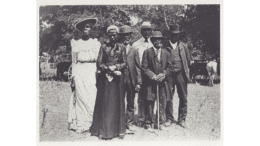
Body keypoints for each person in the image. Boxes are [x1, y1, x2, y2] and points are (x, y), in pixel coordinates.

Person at [90, 25, 127, 140]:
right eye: (110, 34)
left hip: (117, 80)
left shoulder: (122, 47)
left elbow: (124, 63)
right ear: (108, 35)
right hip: (105, 79)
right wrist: (108, 69)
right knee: (106, 104)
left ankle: (118, 131)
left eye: (114, 34)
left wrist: (116, 67)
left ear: (117, 35)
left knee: (117, 103)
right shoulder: (103, 47)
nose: (112, 36)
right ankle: (104, 131)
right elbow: (99, 62)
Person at [67, 17, 101, 133]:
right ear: (81, 30)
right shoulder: (76, 43)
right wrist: (73, 76)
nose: (86, 29)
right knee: (80, 95)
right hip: (80, 70)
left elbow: (98, 60)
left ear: (91, 29)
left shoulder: (95, 43)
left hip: (91, 70)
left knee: (91, 94)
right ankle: (81, 122)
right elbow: (74, 61)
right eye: (84, 27)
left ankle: (91, 121)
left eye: (88, 27)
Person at [142, 31, 173, 132]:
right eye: (155, 39)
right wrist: (153, 76)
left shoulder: (166, 53)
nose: (158, 41)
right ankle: (148, 123)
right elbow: (144, 68)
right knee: (150, 102)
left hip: (162, 82)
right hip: (150, 83)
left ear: (162, 41)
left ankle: (160, 123)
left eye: (160, 39)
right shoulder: (147, 52)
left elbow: (169, 68)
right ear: (152, 41)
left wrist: (163, 74)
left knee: (162, 102)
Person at [164, 24, 192, 128]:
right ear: (169, 34)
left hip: (181, 74)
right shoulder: (164, 45)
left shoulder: (183, 46)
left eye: (177, 34)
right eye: (173, 34)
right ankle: (169, 118)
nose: (175, 36)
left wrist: (184, 72)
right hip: (169, 75)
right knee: (168, 97)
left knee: (183, 97)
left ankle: (182, 119)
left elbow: (188, 61)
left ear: (179, 35)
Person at [118, 25, 142, 133]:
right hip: (120, 79)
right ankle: (120, 123)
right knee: (120, 101)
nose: (126, 37)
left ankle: (130, 122)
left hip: (131, 79)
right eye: (123, 35)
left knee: (131, 102)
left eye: (127, 35)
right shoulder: (117, 48)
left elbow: (138, 67)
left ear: (130, 36)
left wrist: (138, 82)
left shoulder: (134, 49)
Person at [132, 21, 153, 125]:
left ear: (151, 31)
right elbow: (134, 62)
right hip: (140, 74)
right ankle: (141, 118)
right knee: (141, 96)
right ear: (141, 31)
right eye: (144, 30)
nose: (146, 32)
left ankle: (149, 117)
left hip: (151, 74)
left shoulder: (153, 43)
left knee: (150, 96)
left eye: (148, 29)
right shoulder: (135, 44)